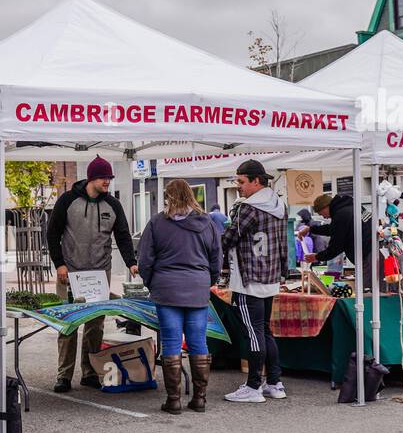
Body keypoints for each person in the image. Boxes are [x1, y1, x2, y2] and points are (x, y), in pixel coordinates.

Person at [45, 155, 138, 392]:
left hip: (99, 273)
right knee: (68, 324)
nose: (107, 181)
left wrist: (131, 262)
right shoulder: (67, 200)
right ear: (91, 178)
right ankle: (63, 376)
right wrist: (59, 264)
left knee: (95, 325)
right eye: (103, 177)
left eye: (109, 177)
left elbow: (123, 236)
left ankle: (89, 372)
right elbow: (52, 234)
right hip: (70, 272)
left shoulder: (113, 206)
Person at [137, 179, 221, 414]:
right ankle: (200, 399)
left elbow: (144, 260)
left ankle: (173, 400)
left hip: (166, 288)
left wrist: (152, 282)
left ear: (168, 196)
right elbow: (217, 259)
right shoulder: (208, 223)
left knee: (172, 343)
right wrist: (207, 281)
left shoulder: (157, 223)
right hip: (198, 288)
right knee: (198, 342)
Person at [221, 159, 288, 404]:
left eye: (241, 182)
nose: (238, 187)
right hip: (270, 276)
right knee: (265, 331)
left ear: (256, 181)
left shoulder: (247, 208)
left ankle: (253, 386)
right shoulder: (280, 204)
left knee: (253, 332)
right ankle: (274, 382)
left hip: (248, 279)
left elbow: (228, 238)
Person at [302, 192, 371, 286]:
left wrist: (316, 257)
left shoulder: (341, 215)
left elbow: (335, 248)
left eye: (321, 213)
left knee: (367, 292)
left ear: (325, 207)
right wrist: (311, 229)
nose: (323, 217)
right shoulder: (350, 207)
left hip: (368, 256)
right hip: (375, 251)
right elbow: (334, 229)